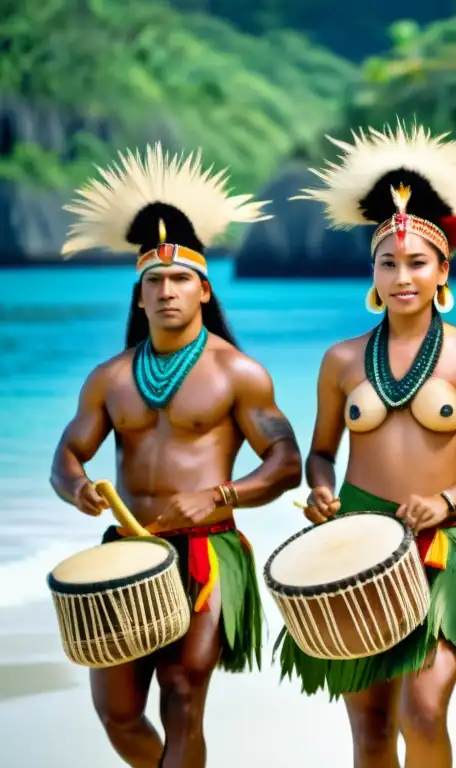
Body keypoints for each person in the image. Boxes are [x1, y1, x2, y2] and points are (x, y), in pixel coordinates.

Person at [276, 121, 456, 767]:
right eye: (388, 263)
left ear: (443, 268)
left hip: (443, 542)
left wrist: (446, 499)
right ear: (373, 272)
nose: (402, 276)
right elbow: (323, 450)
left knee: (423, 709)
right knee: (369, 727)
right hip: (358, 543)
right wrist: (322, 489)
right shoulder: (341, 359)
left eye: (417, 262)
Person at [50, 143, 303, 768]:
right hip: (127, 550)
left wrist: (221, 495)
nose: (167, 291)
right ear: (139, 297)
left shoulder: (237, 373)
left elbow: (286, 460)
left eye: (180, 280)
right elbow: (66, 454)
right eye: (154, 282)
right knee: (117, 715)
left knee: (184, 694)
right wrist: (77, 487)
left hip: (206, 552)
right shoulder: (109, 378)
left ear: (203, 290)